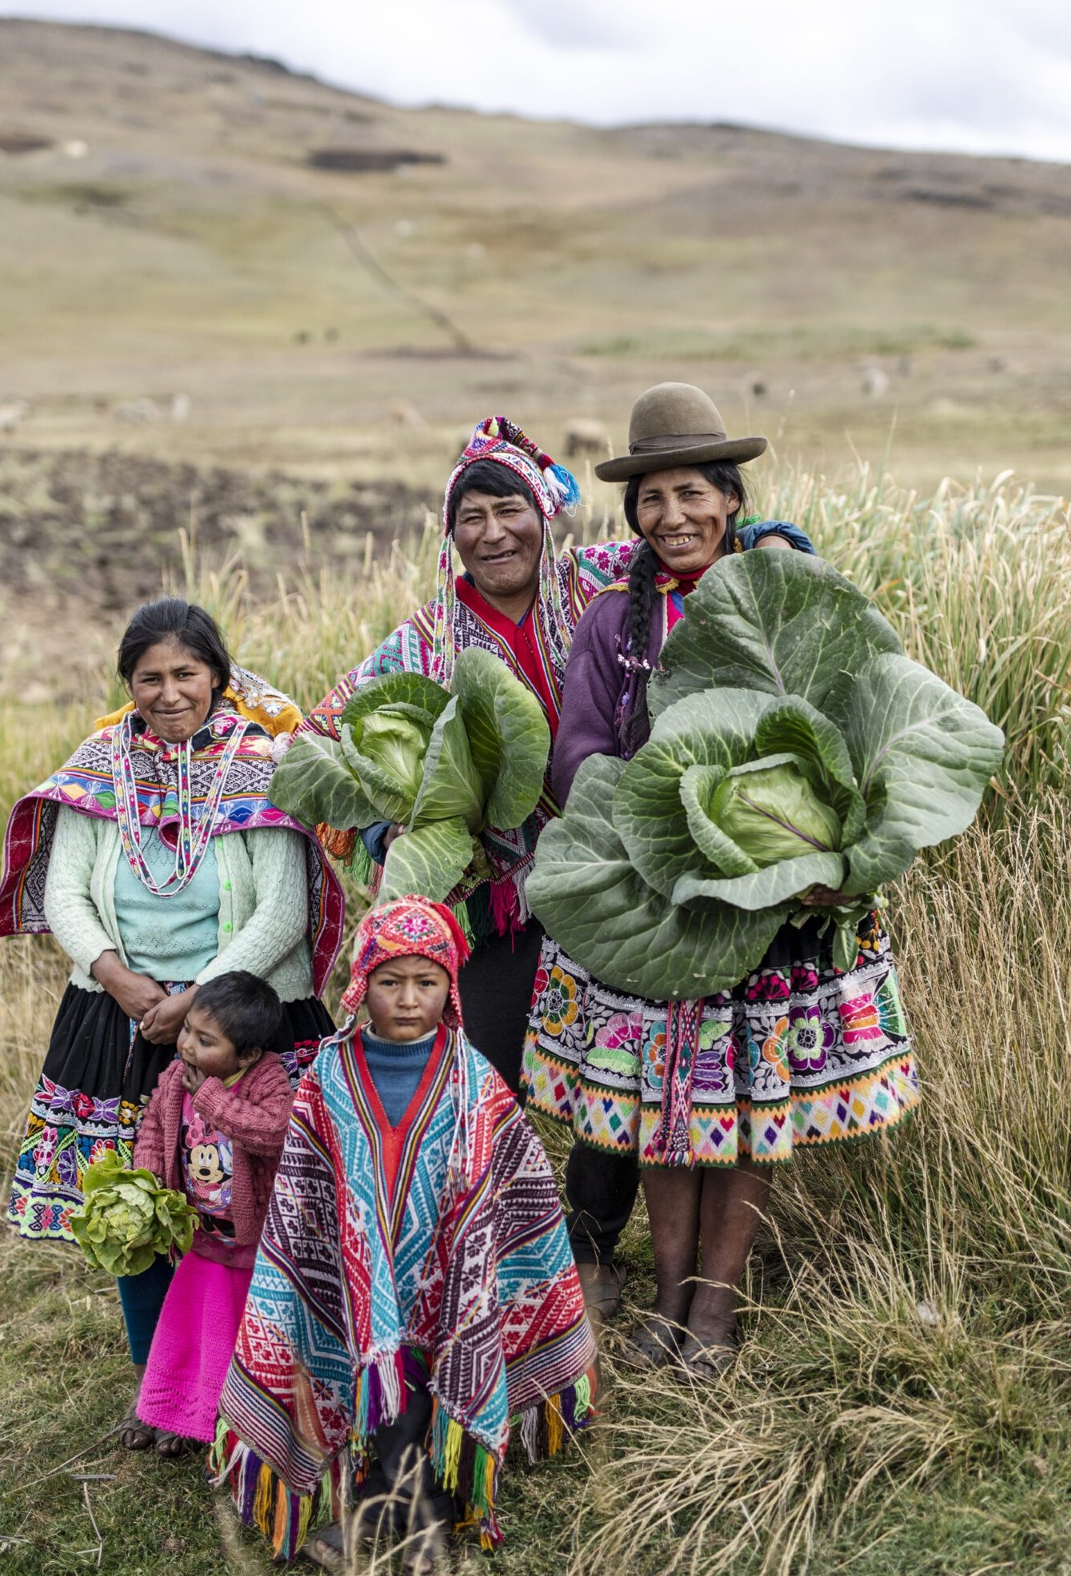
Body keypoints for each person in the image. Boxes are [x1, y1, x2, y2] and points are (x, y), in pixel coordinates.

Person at [302, 416, 809, 1324]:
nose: (494, 533)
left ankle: (588, 1236)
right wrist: (405, 833)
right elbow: (325, 738)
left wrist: (773, 541)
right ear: (449, 535)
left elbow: (694, 539)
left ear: (547, 514)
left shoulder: (603, 580)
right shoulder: (423, 639)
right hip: (500, 897)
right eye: (472, 519)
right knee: (486, 1073)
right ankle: (489, 1246)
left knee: (616, 1072)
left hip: (618, 879)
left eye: (511, 510)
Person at [521, 384, 920, 1380]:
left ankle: (716, 1307)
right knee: (666, 1106)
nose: (673, 516)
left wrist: (826, 850)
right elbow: (576, 756)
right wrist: (663, 816)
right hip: (661, 900)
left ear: (730, 499)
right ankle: (663, 1299)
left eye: (692, 493)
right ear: (634, 513)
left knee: (748, 1100)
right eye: (651, 499)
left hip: (777, 891)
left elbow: (853, 718)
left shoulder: (785, 586)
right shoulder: (616, 619)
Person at [0, 597, 344, 1443]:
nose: (169, 692)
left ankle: (263, 1385)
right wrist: (121, 981)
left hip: (248, 1022)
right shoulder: (99, 766)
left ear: (218, 676)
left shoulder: (263, 764)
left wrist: (197, 1001)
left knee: (257, 1202)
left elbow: (283, 909)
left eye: (186, 674)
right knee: (139, 1203)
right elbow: (67, 890)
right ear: (129, 685)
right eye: (149, 677)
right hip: (118, 1019)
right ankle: (159, 1390)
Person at [215, 896, 595, 1576]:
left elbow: (515, 1180)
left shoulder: (474, 1081)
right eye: (390, 983)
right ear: (361, 987)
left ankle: (411, 1509)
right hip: (352, 1282)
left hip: (448, 1282)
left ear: (451, 988)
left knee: (425, 1370)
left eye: (427, 982)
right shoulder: (326, 1077)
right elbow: (304, 1184)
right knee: (365, 1369)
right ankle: (389, 1504)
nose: (409, 999)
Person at [130, 971, 293, 1458]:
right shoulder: (175, 1078)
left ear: (245, 1054)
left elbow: (274, 1132)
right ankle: (181, 1414)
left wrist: (213, 1100)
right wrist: (149, 1180)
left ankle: (242, 1427)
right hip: (201, 1236)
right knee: (193, 1330)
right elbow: (154, 1129)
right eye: (187, 1032)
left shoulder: (265, 1079)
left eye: (205, 1040)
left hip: (250, 1243)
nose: (186, 1047)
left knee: (239, 1335)